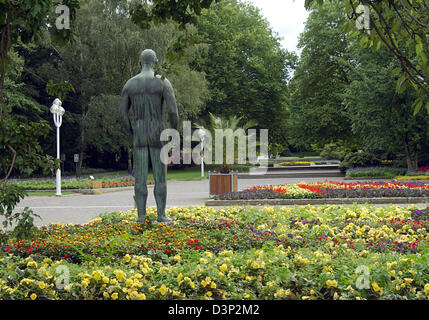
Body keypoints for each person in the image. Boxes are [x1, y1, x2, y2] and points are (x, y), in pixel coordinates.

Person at [119, 49, 179, 223]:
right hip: (158, 134)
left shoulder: (130, 84)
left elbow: (122, 115)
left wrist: (132, 132)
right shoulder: (162, 82)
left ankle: (141, 216)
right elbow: (173, 112)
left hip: (139, 134)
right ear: (155, 62)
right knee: (160, 178)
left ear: (140, 62)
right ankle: (161, 215)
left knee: (140, 179)